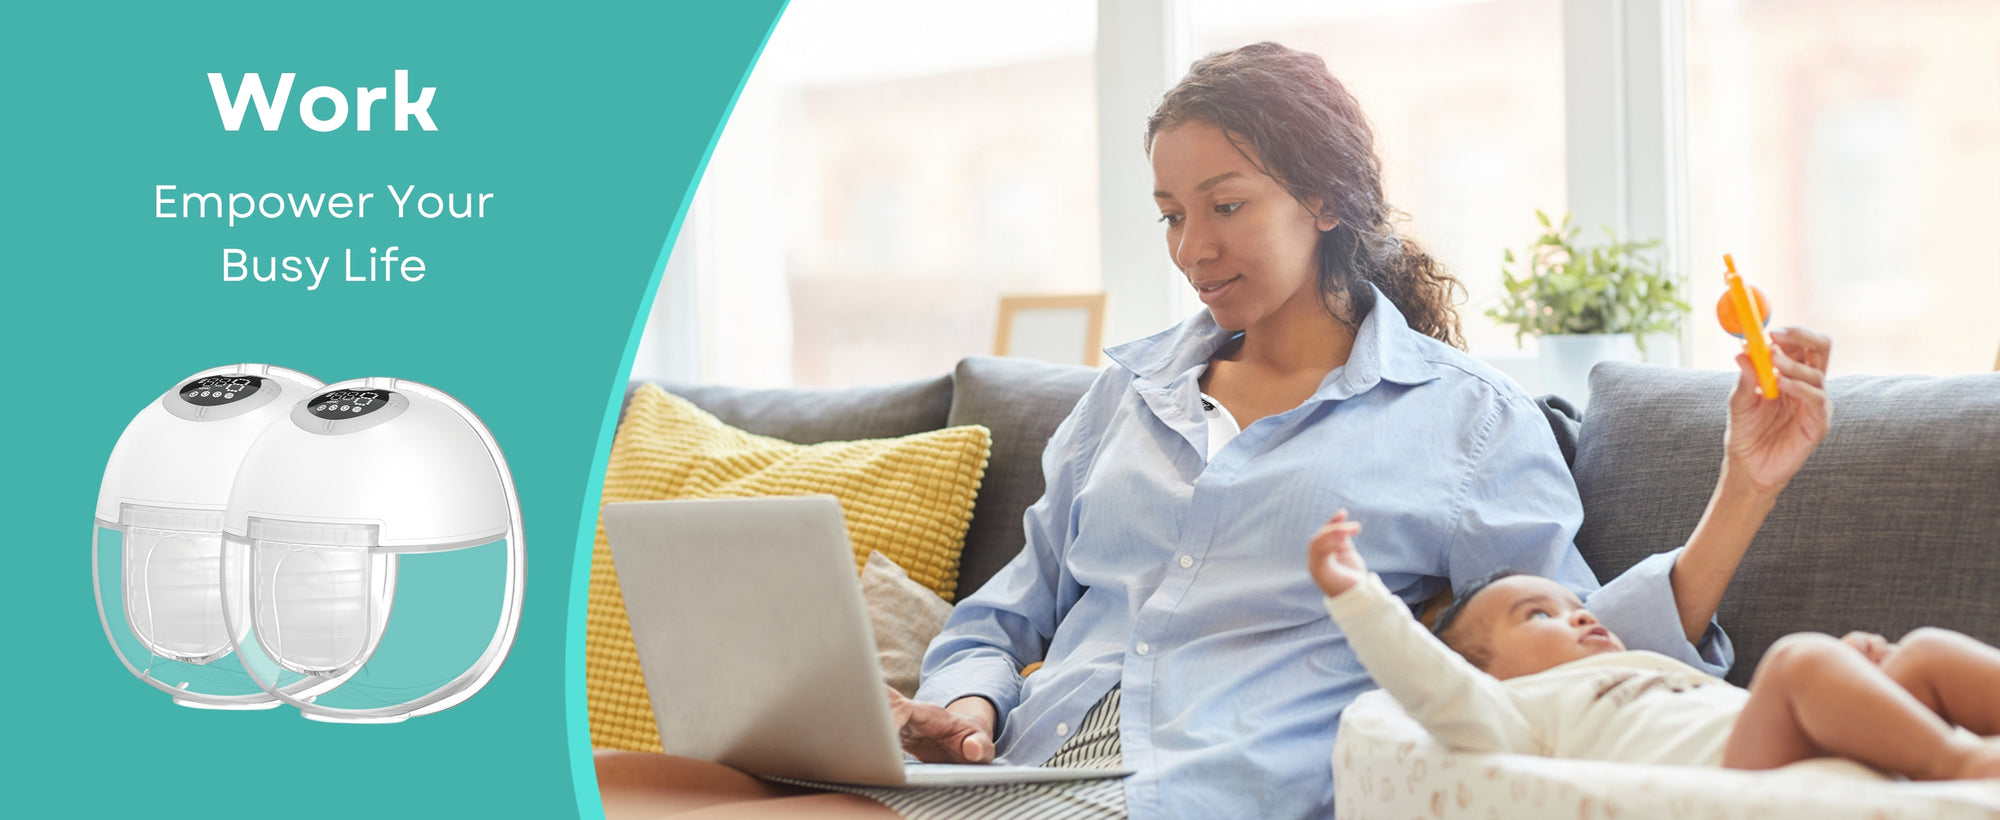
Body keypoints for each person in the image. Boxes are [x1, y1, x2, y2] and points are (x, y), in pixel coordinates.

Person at [594, 41, 1834, 819]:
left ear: (1328, 200)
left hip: (1186, 787)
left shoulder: (1462, 423)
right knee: (604, 778)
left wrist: (1739, 489)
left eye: (1225, 205)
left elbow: (1561, 658)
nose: (1192, 249)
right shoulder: (1125, 394)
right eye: (1170, 215)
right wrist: (965, 698)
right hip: (1009, 765)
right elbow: (1003, 613)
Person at [1309, 522, 2000, 780]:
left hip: (1783, 742)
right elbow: (1430, 685)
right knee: (1797, 660)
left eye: (1577, 605)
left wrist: (1857, 678)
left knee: (1924, 655)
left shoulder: (1643, 668)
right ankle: (1966, 765)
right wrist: (1359, 598)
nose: (1579, 618)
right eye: (1539, 615)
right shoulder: (1516, 715)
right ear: (1480, 673)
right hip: (1736, 787)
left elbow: (1747, 710)